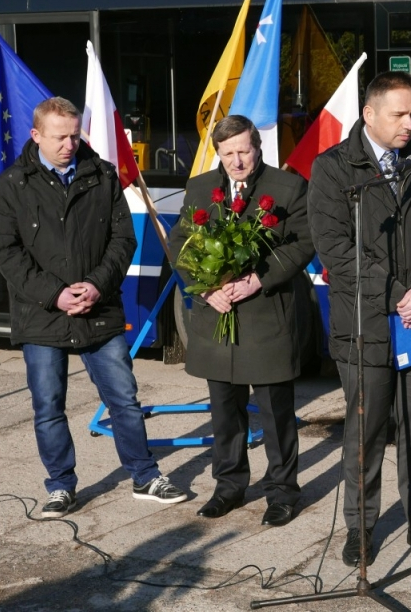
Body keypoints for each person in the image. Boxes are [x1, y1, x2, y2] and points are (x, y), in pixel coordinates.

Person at [0, 97, 188, 518]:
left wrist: (97, 285)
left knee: (124, 400)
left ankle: (145, 476)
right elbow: (6, 253)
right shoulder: (10, 185)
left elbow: (123, 240)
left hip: (99, 310)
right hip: (42, 315)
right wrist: (54, 294)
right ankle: (61, 486)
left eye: (75, 135)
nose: (69, 144)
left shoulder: (103, 175)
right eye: (60, 137)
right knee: (48, 406)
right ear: (36, 135)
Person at [308, 71, 411, 566]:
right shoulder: (333, 169)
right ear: (369, 114)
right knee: (365, 432)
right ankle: (362, 528)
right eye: (400, 114)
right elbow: (337, 252)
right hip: (363, 325)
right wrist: (395, 295)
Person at [169, 115, 314, 527]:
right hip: (218, 318)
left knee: (275, 413)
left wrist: (258, 280)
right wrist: (205, 286)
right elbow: (180, 241)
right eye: (228, 153)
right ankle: (228, 487)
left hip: (266, 317)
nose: (236, 161)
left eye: (243, 151)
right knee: (224, 412)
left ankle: (283, 491)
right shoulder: (200, 188)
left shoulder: (287, 188)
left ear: (258, 148)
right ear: (218, 153)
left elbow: (305, 241)